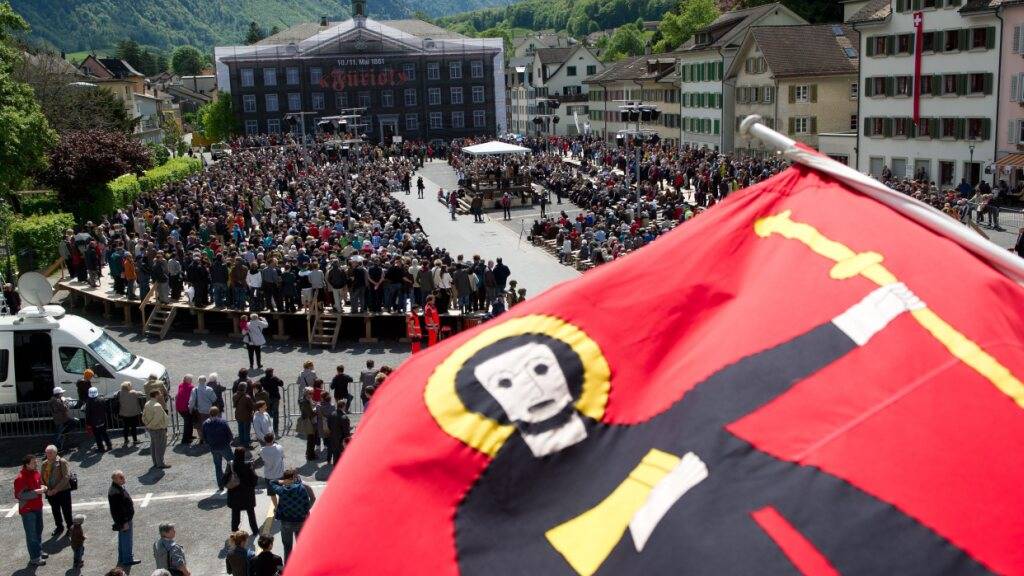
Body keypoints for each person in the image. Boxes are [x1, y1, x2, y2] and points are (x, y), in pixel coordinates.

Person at [267, 469, 315, 561]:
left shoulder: (281, 490)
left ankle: (288, 568)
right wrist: (305, 511)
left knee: (287, 547)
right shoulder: (303, 488)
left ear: (285, 479)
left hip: (286, 522)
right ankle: (303, 565)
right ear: (294, 477)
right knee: (301, 545)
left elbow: (271, 482)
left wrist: (282, 481)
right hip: (301, 521)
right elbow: (308, 501)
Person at [15, 454, 47, 566]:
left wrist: (44, 487)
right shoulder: (20, 478)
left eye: (35, 462)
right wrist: (36, 492)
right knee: (31, 534)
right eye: (33, 462)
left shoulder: (36, 472)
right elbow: (19, 495)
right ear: (27, 464)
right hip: (28, 510)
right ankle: (34, 558)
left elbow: (41, 483)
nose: (36, 464)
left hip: (38, 506)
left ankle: (38, 551)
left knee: (39, 530)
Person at [108, 470, 140, 567]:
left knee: (123, 539)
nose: (123, 478)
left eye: (123, 476)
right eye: (121, 477)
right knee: (127, 539)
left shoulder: (116, 487)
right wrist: (124, 522)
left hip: (122, 520)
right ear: (115, 479)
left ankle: (122, 557)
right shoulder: (116, 492)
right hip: (124, 520)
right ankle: (127, 559)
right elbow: (119, 510)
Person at [225, 447, 260, 535]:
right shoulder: (248, 465)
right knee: (251, 513)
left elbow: (224, 479)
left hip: (234, 494)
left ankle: (234, 531)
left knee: (235, 514)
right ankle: (255, 530)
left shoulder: (231, 465)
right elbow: (254, 478)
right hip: (247, 494)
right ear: (243, 454)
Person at [42, 445, 74, 536]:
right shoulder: (44, 464)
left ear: (55, 453)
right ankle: (59, 527)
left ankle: (70, 527)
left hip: (63, 491)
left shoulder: (62, 462)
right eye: (47, 453)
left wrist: (56, 489)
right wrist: (46, 490)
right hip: (50, 492)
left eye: (50, 453)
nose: (48, 454)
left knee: (67, 510)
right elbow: (42, 479)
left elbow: (66, 477)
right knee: (55, 510)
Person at [202, 407, 235, 490]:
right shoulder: (222, 422)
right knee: (232, 463)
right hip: (224, 446)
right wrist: (228, 442)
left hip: (213, 447)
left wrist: (209, 444)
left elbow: (204, 437)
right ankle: (234, 480)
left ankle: (220, 485)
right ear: (218, 413)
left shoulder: (205, 423)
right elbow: (229, 435)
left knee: (218, 466)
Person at [143, 390, 171, 469]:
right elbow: (157, 419)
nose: (161, 395)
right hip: (158, 428)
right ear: (156, 395)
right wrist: (150, 425)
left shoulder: (147, 403)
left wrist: (147, 425)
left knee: (154, 446)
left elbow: (143, 416)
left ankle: (155, 462)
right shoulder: (157, 405)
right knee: (160, 446)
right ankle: (160, 463)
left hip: (151, 429)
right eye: (159, 394)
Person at [188, 375, 217, 443]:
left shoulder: (194, 390)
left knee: (199, 426)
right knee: (209, 424)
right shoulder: (209, 389)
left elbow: (191, 401)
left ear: (198, 381)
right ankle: (209, 438)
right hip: (208, 410)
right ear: (205, 381)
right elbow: (214, 399)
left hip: (199, 411)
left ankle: (201, 438)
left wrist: (190, 409)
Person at [85, 387, 113, 453]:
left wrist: (88, 423)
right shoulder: (101, 399)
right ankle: (109, 446)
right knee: (104, 433)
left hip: (94, 422)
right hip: (102, 420)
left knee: (97, 436)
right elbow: (106, 409)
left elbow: (88, 413)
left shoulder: (89, 401)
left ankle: (101, 448)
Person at [117, 381, 145, 447]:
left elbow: (115, 394)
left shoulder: (120, 393)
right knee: (133, 427)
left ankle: (126, 440)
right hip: (133, 413)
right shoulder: (133, 393)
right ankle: (135, 440)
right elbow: (141, 393)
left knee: (125, 428)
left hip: (124, 413)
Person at [260, 433, 285, 506]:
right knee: (281, 492)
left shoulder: (262, 450)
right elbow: (282, 456)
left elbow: (263, 460)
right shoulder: (279, 447)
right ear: (273, 439)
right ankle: (282, 506)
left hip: (269, 476)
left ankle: (276, 507)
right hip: (279, 474)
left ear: (264, 440)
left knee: (272, 493)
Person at [259, 369, 284, 435]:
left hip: (266, 398)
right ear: (271, 373)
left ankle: (267, 429)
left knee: (266, 413)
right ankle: (275, 429)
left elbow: (258, 384)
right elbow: (281, 383)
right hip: (275, 398)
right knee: (275, 413)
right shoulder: (274, 378)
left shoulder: (263, 379)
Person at [327, 399, 351, 465]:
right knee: (342, 455)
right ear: (343, 406)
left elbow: (328, 425)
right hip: (341, 439)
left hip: (333, 437)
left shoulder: (332, 414)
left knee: (335, 455)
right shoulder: (344, 417)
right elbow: (346, 431)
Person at [50, 387, 74, 452]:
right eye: (61, 393)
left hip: (60, 419)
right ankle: (55, 448)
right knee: (58, 434)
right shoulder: (57, 401)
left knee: (59, 433)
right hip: (61, 419)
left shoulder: (54, 399)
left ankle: (58, 446)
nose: (62, 394)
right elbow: (65, 408)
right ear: (58, 394)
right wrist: (65, 401)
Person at [297, 387, 318, 460]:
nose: (312, 395)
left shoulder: (305, 399)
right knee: (311, 439)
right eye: (310, 393)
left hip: (309, 420)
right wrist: (317, 411)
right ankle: (310, 456)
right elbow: (310, 413)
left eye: (312, 393)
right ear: (306, 394)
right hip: (309, 421)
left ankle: (308, 452)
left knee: (311, 439)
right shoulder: (305, 402)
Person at [233, 382, 255, 447]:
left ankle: (241, 441)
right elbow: (251, 406)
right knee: (246, 430)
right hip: (246, 416)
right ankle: (246, 443)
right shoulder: (247, 397)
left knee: (240, 428)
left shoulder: (234, 395)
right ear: (245, 388)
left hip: (238, 414)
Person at [175, 375, 196, 445]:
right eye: (191, 379)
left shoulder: (181, 385)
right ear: (188, 380)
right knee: (187, 423)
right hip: (185, 408)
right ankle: (185, 439)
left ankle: (189, 436)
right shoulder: (191, 387)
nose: (192, 381)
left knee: (189, 421)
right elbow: (193, 398)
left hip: (179, 407)